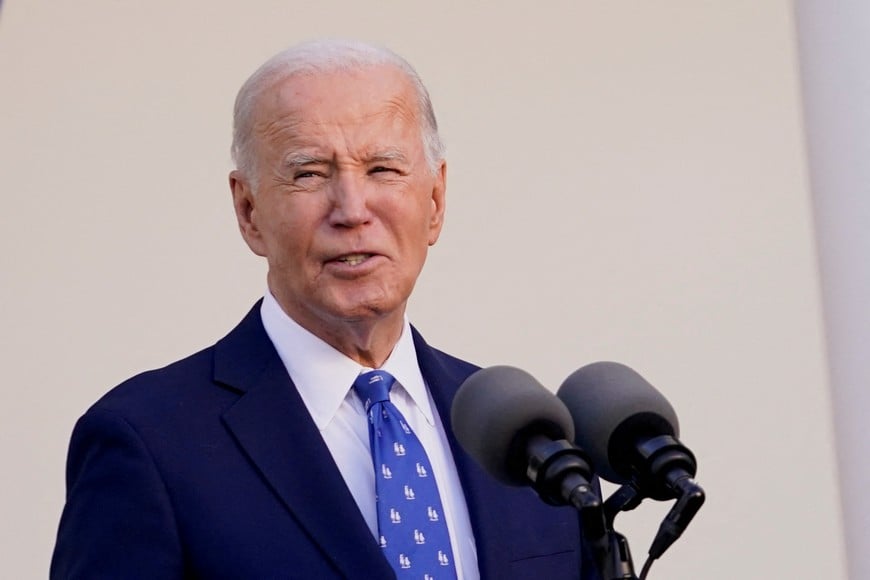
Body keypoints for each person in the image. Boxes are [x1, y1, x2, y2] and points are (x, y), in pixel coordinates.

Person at [51, 39, 599, 579]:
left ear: (435, 201)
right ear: (248, 211)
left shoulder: (529, 441)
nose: (352, 210)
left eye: (383, 169)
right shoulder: (148, 442)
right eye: (310, 173)